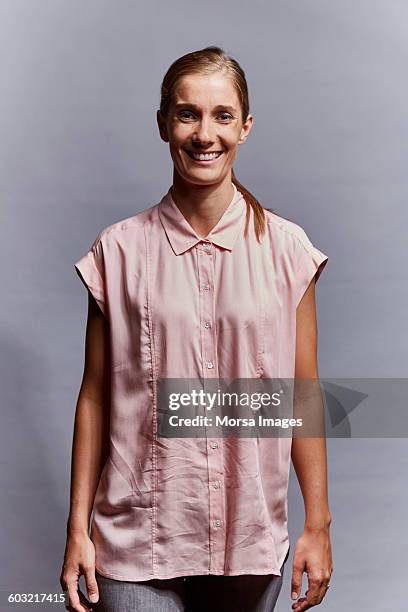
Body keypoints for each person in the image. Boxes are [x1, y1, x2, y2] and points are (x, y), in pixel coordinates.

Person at [60, 46, 333, 612]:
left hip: (250, 541)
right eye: (187, 114)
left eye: (222, 115)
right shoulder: (117, 252)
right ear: (163, 124)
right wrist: (76, 529)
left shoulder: (288, 251)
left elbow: (302, 394)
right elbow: (95, 396)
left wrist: (319, 524)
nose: (204, 133)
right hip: (138, 540)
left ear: (245, 127)